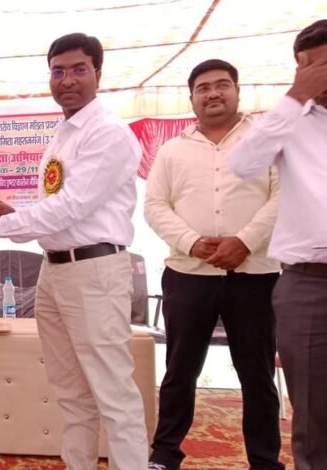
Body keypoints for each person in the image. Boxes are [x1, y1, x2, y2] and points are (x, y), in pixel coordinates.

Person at [0, 33, 148, 469]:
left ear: (98, 73)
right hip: (56, 271)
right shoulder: (64, 132)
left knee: (114, 395)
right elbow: (62, 211)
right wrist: (16, 214)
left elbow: (71, 207)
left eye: (79, 70)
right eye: (58, 71)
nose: (67, 80)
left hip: (95, 272)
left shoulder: (108, 132)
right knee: (71, 393)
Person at [144, 59, 283, 470]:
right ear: (192, 98)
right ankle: (165, 454)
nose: (213, 93)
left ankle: (265, 461)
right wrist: (192, 242)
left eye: (222, 85)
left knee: (257, 373)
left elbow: (283, 196)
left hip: (254, 274)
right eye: (203, 88)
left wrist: (244, 241)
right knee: (179, 370)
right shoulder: (172, 150)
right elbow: (154, 206)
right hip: (188, 274)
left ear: (238, 91)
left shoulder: (267, 140)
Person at [230, 19, 327, 470]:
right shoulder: (290, 122)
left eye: (321, 65)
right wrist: (293, 98)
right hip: (308, 283)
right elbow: (244, 163)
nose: (313, 75)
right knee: (313, 413)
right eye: (303, 67)